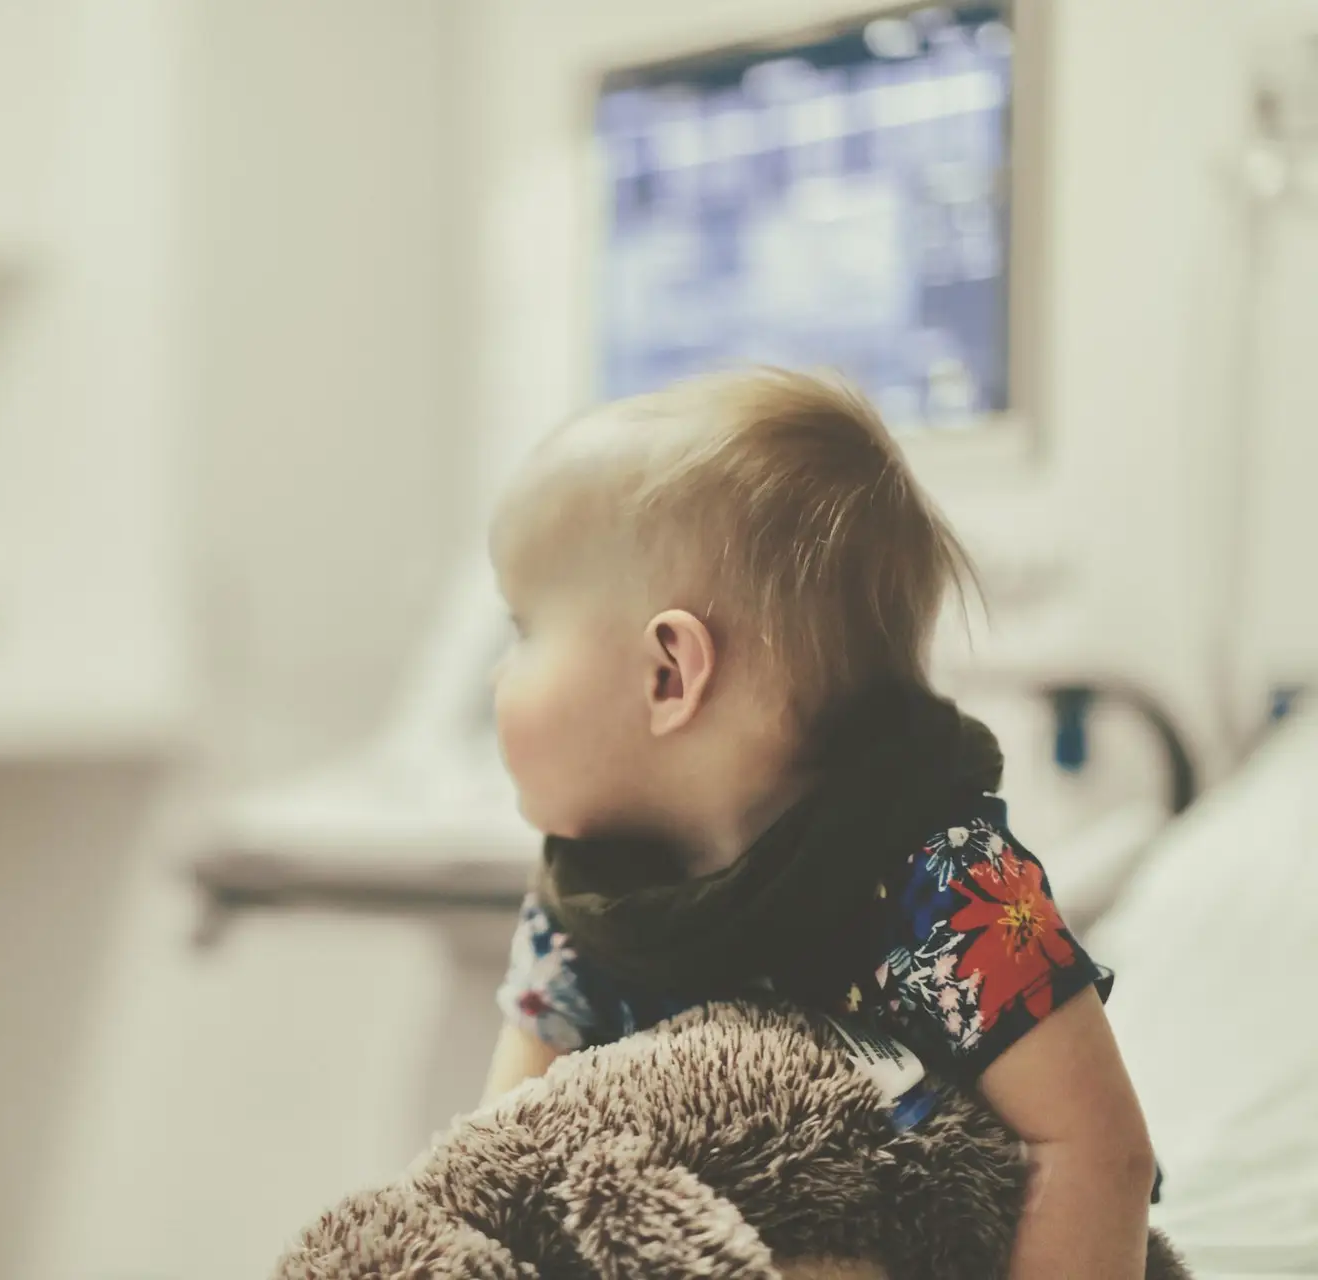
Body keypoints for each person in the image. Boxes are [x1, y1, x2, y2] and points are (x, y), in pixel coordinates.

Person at [481, 368, 1155, 1279]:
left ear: (668, 675)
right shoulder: (592, 898)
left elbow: (1096, 1153)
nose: (497, 677)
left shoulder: (946, 882)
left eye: (523, 629)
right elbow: (501, 1177)